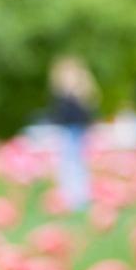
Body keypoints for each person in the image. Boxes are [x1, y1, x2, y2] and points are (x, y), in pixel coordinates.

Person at [47, 55, 98, 211]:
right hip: (66, 133)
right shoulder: (61, 96)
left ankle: (79, 198)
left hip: (77, 132)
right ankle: (69, 197)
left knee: (76, 165)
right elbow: (57, 116)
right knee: (67, 165)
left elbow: (86, 116)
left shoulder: (80, 96)